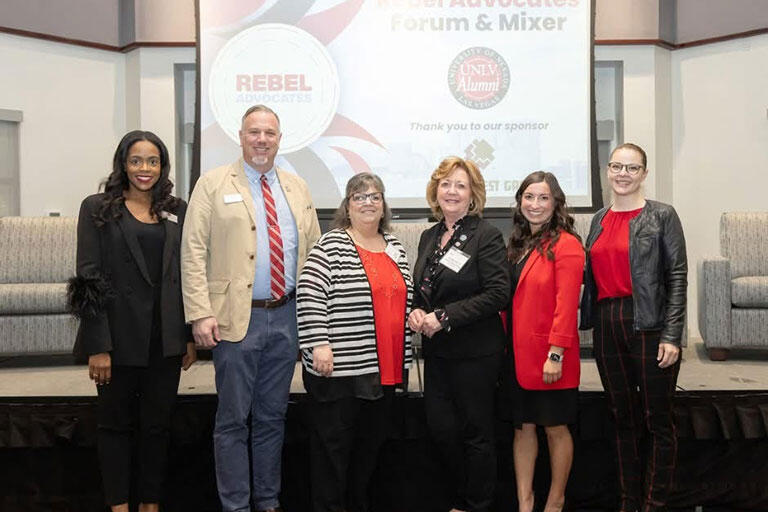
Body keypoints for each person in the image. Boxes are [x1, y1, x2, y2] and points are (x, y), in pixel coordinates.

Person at [181, 105, 321, 512]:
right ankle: (236, 505)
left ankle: (268, 500)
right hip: (234, 319)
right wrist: (200, 312)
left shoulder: (297, 187)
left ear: (280, 139)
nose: (262, 140)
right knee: (232, 420)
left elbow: (313, 252)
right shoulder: (212, 184)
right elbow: (192, 252)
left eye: (269, 133)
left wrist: (312, 319)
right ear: (240, 137)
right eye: (254, 132)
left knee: (272, 418)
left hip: (287, 317)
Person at [67, 130, 197, 512]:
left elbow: (185, 276)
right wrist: (98, 346)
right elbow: (88, 278)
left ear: (163, 166)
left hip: (165, 339)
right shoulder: (97, 207)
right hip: (117, 339)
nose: (145, 168)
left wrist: (187, 336)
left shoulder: (177, 209)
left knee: (157, 428)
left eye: (153, 161)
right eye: (136, 160)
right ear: (123, 164)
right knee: (114, 427)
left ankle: (150, 504)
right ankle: (119, 505)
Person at [579, 143, 687, 512]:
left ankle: (654, 503)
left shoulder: (662, 215)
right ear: (607, 171)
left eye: (631, 168)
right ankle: (629, 501)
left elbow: (677, 277)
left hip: (650, 323)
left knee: (657, 419)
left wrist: (672, 335)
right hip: (607, 323)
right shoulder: (599, 219)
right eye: (616, 167)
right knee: (621, 417)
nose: (623, 174)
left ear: (644, 173)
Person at [297, 172, 414, 512]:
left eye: (375, 196)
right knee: (332, 457)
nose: (368, 202)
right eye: (359, 197)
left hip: (384, 371)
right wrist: (319, 343)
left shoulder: (394, 247)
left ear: (384, 205)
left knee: (368, 455)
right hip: (340, 371)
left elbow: (404, 297)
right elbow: (309, 293)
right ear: (347, 206)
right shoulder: (331, 245)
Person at [408, 156, 510, 512]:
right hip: (438, 353)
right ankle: (459, 498)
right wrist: (416, 311)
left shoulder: (487, 235)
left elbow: (498, 293)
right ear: (436, 190)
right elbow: (424, 290)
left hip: (476, 353)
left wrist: (445, 317)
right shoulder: (429, 236)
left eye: (460, 185)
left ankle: (476, 504)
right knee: (441, 430)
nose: (452, 191)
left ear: (473, 194)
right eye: (446, 184)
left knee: (476, 433)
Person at [505, 171, 584, 512]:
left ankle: (555, 502)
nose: (535, 204)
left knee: (555, 429)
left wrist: (556, 354)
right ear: (520, 201)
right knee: (522, 429)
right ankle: (525, 503)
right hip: (516, 356)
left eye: (543, 198)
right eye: (529, 197)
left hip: (550, 357)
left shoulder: (567, 245)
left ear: (556, 203)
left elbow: (567, 305)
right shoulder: (517, 245)